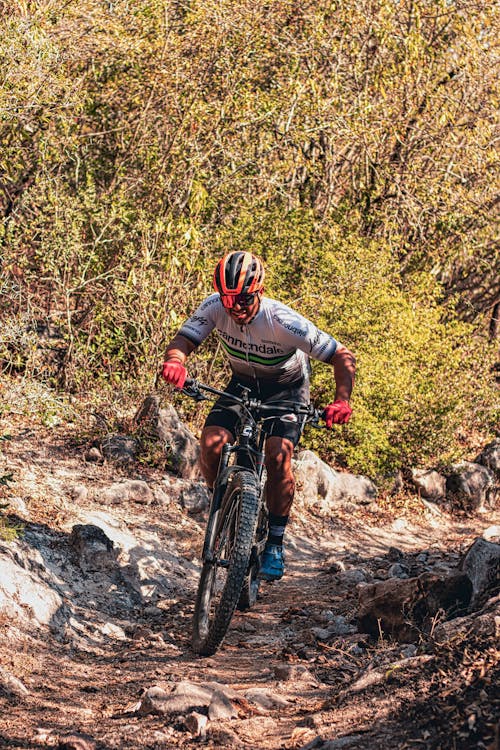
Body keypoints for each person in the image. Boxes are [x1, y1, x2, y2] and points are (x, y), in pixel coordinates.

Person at [161, 251, 355, 581]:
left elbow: (341, 355)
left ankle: (275, 544)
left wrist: (342, 400)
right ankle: (223, 508)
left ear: (259, 291)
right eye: (227, 299)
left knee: (278, 456)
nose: (235, 307)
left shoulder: (282, 320)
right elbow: (183, 341)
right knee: (211, 443)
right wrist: (175, 362)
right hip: (243, 384)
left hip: (287, 389)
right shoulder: (213, 308)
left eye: (243, 298)